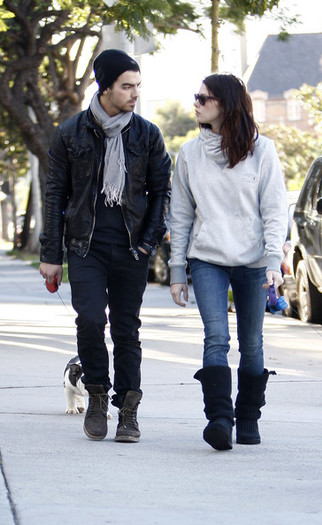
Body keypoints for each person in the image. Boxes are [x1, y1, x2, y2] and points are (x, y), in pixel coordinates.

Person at [39, 49, 172, 443]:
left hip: (132, 249)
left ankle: (128, 411)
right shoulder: (70, 133)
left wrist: (148, 244)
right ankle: (97, 395)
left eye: (137, 86)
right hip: (85, 247)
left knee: (127, 330)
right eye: (127, 86)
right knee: (91, 321)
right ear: (106, 87)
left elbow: (162, 190)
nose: (134, 94)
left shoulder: (147, 135)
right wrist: (50, 254)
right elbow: (55, 194)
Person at [169, 73, 288, 450]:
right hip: (208, 259)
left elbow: (273, 208)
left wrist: (273, 258)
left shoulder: (262, 150)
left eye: (204, 98)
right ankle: (220, 418)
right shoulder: (189, 154)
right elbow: (181, 215)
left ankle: (249, 416)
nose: (197, 103)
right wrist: (176, 269)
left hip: (253, 262)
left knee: (252, 343)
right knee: (216, 337)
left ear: (227, 103)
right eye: (196, 97)